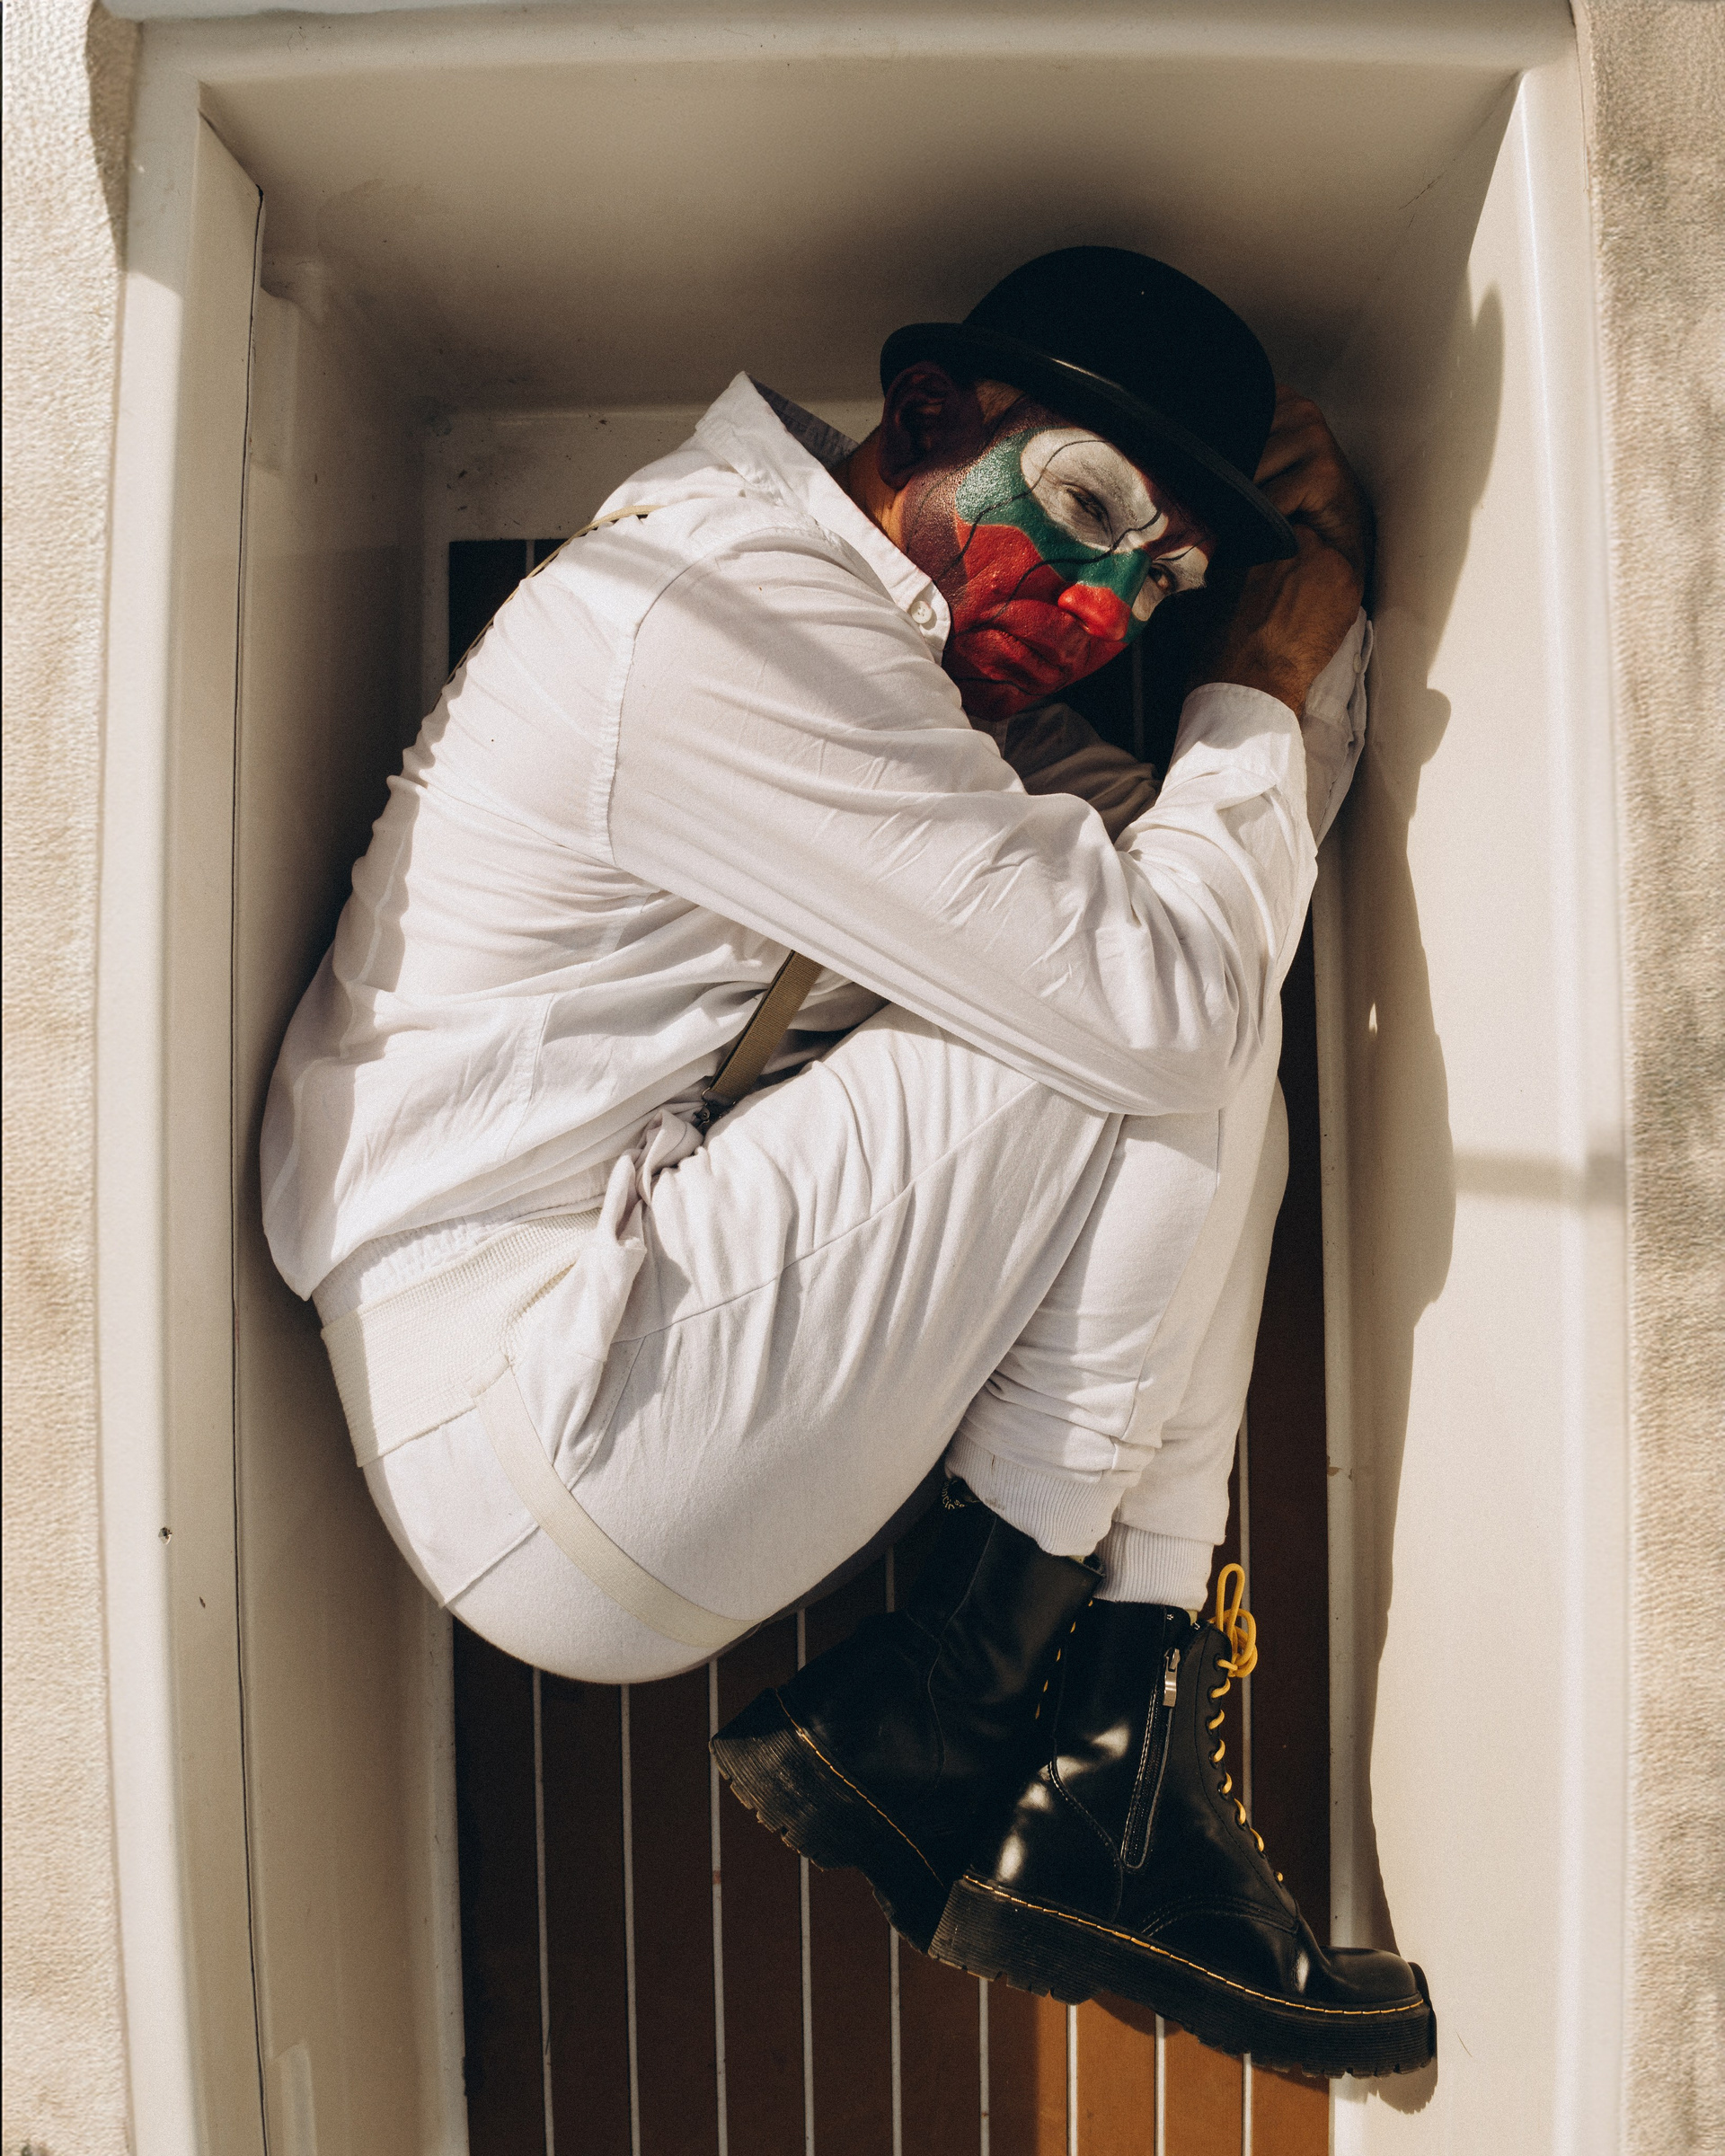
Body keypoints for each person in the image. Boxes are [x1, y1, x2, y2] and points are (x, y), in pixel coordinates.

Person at [261, 246, 1431, 2075]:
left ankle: (1113, 1744)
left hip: (627, 1387)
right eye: (1088, 510)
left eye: (1165, 580)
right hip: (535, 1424)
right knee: (1141, 1001)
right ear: (931, 409)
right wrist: (1263, 677)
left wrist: (1303, 635)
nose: (1106, 606)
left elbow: (1232, 887)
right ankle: (974, 1690)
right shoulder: (722, 616)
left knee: (1179, 987)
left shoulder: (932, 710)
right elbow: (1170, 987)